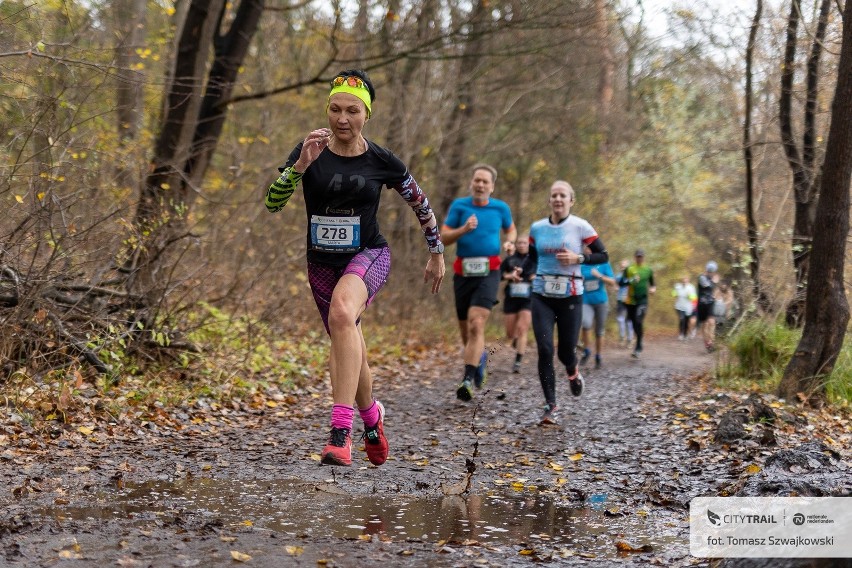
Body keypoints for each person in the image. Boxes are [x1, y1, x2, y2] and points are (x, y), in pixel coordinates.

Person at [264, 69, 446, 467]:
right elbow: (272, 203)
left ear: (367, 115)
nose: (341, 118)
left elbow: (420, 202)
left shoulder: (381, 159)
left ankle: (339, 433)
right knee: (349, 341)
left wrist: (436, 251)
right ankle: (372, 418)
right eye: (334, 109)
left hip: (369, 254)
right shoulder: (308, 149)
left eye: (352, 111)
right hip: (321, 263)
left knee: (344, 312)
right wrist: (298, 167)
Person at [524, 180, 608, 425]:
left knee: (565, 352)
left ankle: (573, 371)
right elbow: (531, 259)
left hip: (571, 295)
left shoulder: (580, 226)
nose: (558, 199)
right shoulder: (537, 228)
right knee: (545, 349)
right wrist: (522, 270)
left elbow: (603, 255)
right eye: (554, 196)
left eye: (563, 196)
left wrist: (578, 257)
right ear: (549, 200)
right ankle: (550, 405)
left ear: (571, 200)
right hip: (541, 295)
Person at [441, 164, 517, 401]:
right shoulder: (460, 206)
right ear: (471, 183)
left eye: (485, 181)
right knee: (467, 332)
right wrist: (464, 229)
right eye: (477, 181)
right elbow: (443, 237)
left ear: (492, 186)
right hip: (463, 273)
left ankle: (467, 379)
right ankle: (478, 359)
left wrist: (510, 243)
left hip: (490, 271)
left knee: (477, 324)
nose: (481, 185)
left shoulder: (500, 208)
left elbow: (511, 230)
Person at [500, 235, 534, 373]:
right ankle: (515, 340)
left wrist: (535, 277)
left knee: (522, 328)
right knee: (510, 333)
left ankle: (518, 362)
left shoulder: (534, 259)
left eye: (524, 243)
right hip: (511, 297)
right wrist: (509, 276)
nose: (521, 245)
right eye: (519, 243)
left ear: (529, 244)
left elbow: (540, 274)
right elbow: (498, 274)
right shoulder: (510, 259)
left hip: (528, 298)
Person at [578, 246, 616, 369]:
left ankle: (598, 355)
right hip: (585, 301)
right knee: (585, 323)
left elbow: (612, 282)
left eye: (590, 248)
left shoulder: (603, 263)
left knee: (599, 331)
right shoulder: (581, 264)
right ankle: (587, 350)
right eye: (586, 248)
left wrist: (599, 276)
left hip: (601, 301)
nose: (588, 250)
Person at [623, 249, 655, 358]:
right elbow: (622, 282)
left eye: (641, 257)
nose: (639, 258)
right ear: (635, 257)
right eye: (637, 256)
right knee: (633, 322)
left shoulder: (648, 270)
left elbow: (652, 284)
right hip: (631, 300)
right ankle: (639, 342)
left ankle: (638, 345)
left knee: (638, 320)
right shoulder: (629, 269)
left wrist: (653, 289)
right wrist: (631, 280)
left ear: (643, 257)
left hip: (642, 300)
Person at [696, 261, 720, 353]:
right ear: (709, 271)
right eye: (712, 272)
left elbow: (712, 289)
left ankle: (711, 342)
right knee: (704, 325)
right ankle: (707, 343)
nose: (713, 274)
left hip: (710, 303)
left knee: (712, 322)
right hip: (702, 304)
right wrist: (713, 281)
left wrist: (714, 296)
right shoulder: (701, 277)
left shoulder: (711, 278)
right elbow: (707, 286)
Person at [614, 259, 634, 347]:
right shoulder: (618, 276)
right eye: (622, 266)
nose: (623, 268)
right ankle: (622, 337)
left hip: (629, 300)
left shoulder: (631, 276)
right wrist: (615, 288)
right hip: (620, 300)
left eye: (625, 266)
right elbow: (615, 285)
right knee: (620, 319)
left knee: (629, 320)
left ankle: (630, 339)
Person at [672, 275, 697, 341]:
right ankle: (681, 334)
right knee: (681, 319)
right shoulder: (678, 286)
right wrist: (674, 292)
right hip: (679, 306)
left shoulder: (691, 287)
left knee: (686, 321)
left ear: (688, 281)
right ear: (681, 281)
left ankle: (685, 335)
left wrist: (689, 296)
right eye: (683, 281)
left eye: (686, 281)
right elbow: (674, 294)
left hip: (688, 307)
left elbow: (694, 298)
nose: (684, 282)